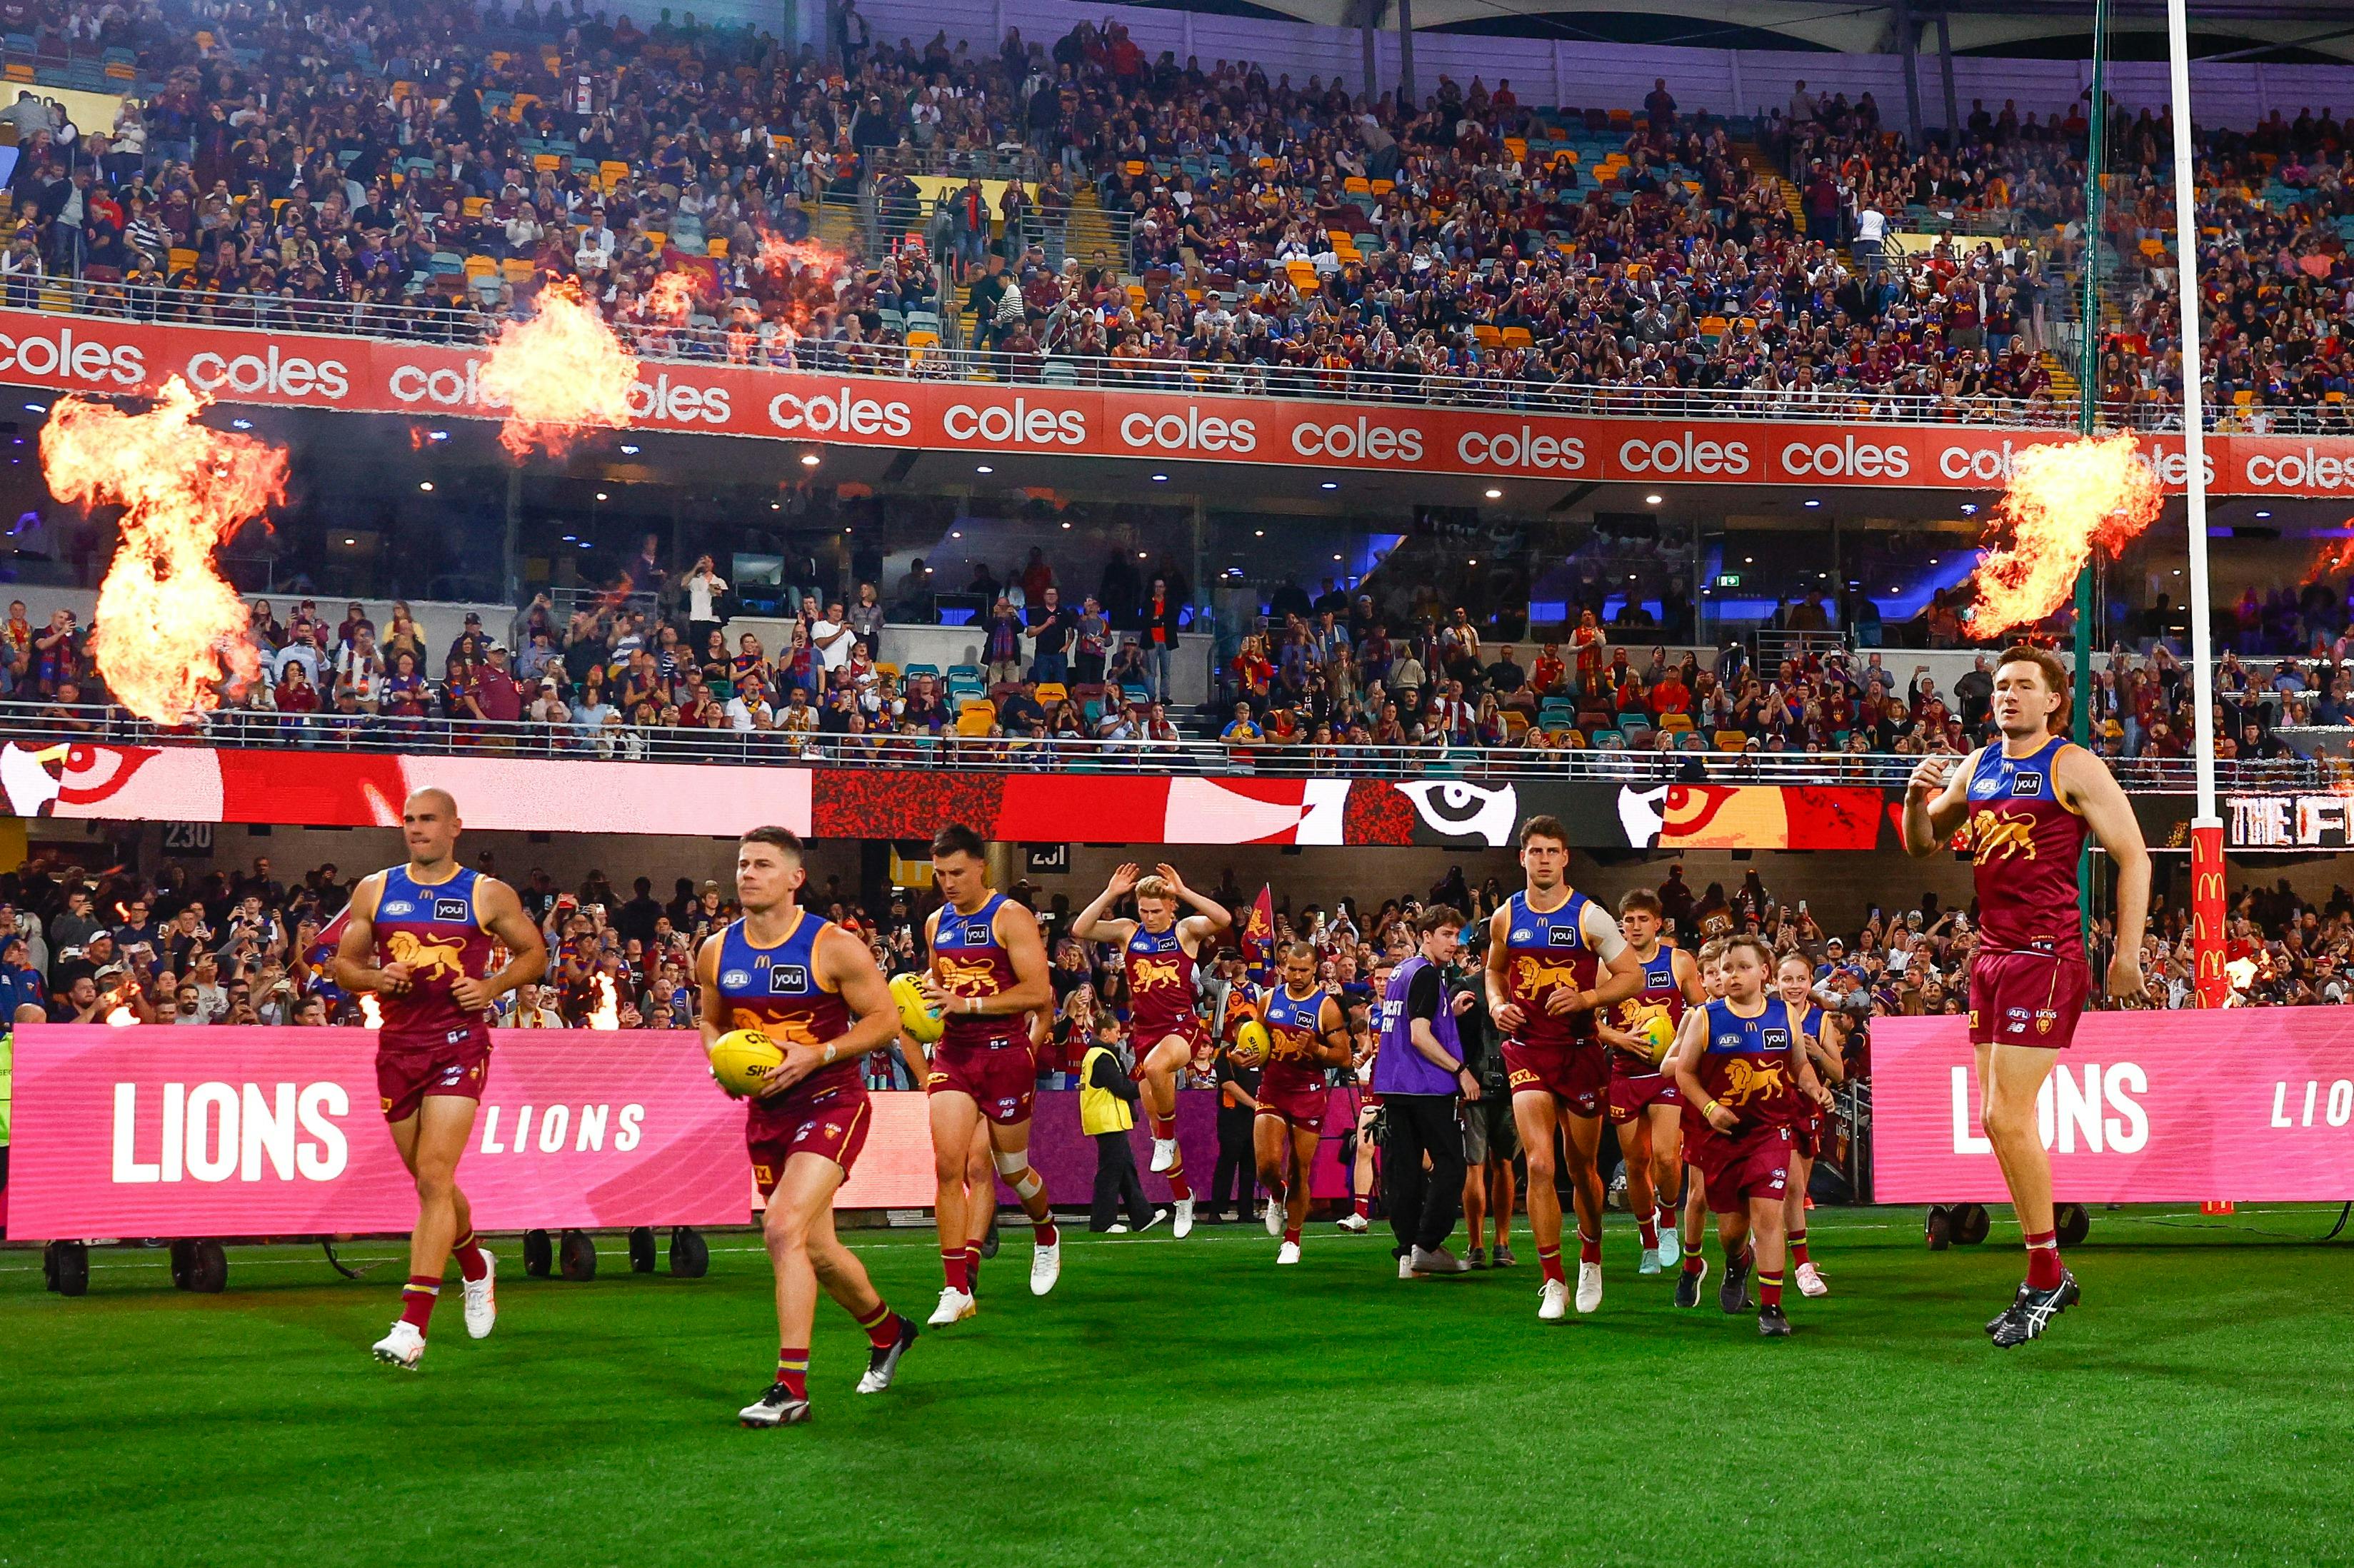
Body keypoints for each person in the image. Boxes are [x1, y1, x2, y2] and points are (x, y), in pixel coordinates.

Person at [1902, 643, 2150, 1347]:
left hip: (2044, 956)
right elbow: (1922, 845)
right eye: (2000, 686)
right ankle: (2044, 1266)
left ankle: (2044, 1273)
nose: (2006, 695)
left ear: (2052, 701)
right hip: (1991, 955)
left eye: (2022, 686)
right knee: (1995, 1121)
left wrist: (2126, 954)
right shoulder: (1977, 765)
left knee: (2004, 1116)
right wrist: (1911, 799)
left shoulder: (2070, 765)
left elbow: (2132, 854)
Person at [699, 827, 916, 1428]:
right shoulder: (716, 950)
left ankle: (790, 1387)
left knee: (782, 1227)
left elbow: (885, 1021)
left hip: (830, 1102)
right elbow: (711, 1022)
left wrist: (816, 1055)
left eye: (763, 865)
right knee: (815, 1247)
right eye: (743, 864)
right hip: (766, 1112)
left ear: (795, 878)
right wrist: (722, 1062)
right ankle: (890, 1330)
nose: (747, 874)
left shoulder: (834, 946)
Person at [333, 790, 547, 1370]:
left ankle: (411, 1326)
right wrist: (377, 976)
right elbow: (342, 967)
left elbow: (534, 953)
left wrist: (493, 987)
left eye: (427, 820)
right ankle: (476, 1263)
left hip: (459, 1044)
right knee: (434, 1187)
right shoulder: (375, 888)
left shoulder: (485, 892)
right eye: (409, 819)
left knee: (433, 1176)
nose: (416, 829)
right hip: (398, 1047)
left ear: (455, 826)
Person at [1483, 816, 1644, 1320]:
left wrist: (1589, 997)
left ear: (1566, 857)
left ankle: (1590, 1255)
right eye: (1536, 851)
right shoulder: (1506, 916)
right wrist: (1494, 1004)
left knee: (1582, 1169)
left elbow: (1633, 975)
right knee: (1538, 1164)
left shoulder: (1590, 916)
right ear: (1523, 858)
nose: (1545, 859)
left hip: (1579, 1051)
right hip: (1527, 1048)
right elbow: (1493, 969)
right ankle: (1552, 1280)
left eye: (1553, 850)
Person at [916, 823, 1063, 1327]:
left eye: (956, 872)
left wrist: (968, 1002)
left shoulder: (1011, 917)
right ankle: (955, 1287)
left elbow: (1038, 994)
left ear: (981, 866)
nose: (948, 883)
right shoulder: (936, 922)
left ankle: (1045, 1232)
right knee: (947, 1167)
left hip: (1005, 1056)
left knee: (1012, 1171)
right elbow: (940, 987)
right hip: (955, 1053)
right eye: (940, 874)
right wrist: (924, 1000)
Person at [1669, 935, 1831, 1337]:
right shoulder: (1706, 1018)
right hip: (1722, 1138)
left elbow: (1798, 1066)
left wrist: (1813, 1087)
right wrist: (1710, 1109)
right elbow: (1683, 1073)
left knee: (1769, 1217)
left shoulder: (1784, 1015)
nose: (1732, 975)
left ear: (1764, 972)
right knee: (1731, 1232)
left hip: (1770, 1133)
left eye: (1742, 967)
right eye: (1727, 968)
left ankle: (1773, 1307)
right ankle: (1737, 1262)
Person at [1069, 862, 1231, 1237]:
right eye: (1143, 910)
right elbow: (1080, 929)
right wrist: (1111, 892)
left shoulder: (1186, 931)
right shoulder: (1129, 933)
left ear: (1171, 907)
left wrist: (1184, 890)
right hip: (1143, 1034)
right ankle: (1182, 1198)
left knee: (1158, 1071)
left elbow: (1222, 918)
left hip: (1180, 1028)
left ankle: (1168, 1138)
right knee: (1157, 1121)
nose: (1149, 917)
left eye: (1156, 911)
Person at [1598, 888, 1704, 1275]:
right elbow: (1587, 1021)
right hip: (1625, 1072)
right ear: (1620, 924)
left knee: (1665, 1155)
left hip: (1666, 1074)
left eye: (1643, 919)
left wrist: (1679, 1046)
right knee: (1636, 1161)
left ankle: (1670, 1223)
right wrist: (1617, 1038)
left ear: (1658, 923)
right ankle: (1648, 1241)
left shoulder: (1678, 961)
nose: (1635, 926)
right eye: (1628, 920)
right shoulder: (1606, 967)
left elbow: (1701, 1012)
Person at [1375, 908, 1481, 1277]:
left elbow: (1410, 1023)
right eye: (1448, 935)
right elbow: (1420, 1037)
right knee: (1451, 1164)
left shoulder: (1402, 972)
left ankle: (1407, 1254)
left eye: (1458, 936)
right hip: (1427, 1085)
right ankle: (1428, 1244)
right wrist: (1461, 1070)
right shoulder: (1424, 974)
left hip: (1395, 1084)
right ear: (1427, 936)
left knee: (1404, 1171)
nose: (1455, 943)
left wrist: (1447, 1013)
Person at [1253, 941, 1350, 1265]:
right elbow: (1257, 1042)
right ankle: (1276, 1195)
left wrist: (1317, 1050)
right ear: (1283, 966)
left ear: (1315, 970)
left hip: (1308, 1093)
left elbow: (1344, 1056)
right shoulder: (1268, 1000)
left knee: (1299, 1168)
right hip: (1272, 1089)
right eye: (1291, 969)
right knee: (1266, 1167)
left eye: (1303, 970)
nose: (1296, 975)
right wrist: (1245, 1056)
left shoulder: (1327, 1007)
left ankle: (1292, 1238)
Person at [1776, 953, 1850, 1298]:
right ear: (1774, 980)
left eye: (1800, 979)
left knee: (1795, 1191)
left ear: (1810, 981)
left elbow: (1839, 1074)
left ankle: (1778, 1251)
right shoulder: (1764, 1013)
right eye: (1787, 979)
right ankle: (1801, 1265)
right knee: (1786, 1190)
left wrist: (1817, 1052)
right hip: (1767, 1108)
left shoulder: (1820, 1021)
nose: (1793, 986)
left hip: (1806, 1109)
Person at [1673, 938, 1728, 1309]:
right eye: (1711, 973)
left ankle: (1738, 1269)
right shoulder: (1696, 1017)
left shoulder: (1761, 1014)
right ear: (1703, 981)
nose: (1720, 979)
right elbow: (1670, 1064)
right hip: (1701, 1116)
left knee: (1743, 1201)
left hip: (1745, 1116)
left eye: (1725, 970)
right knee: (1699, 1195)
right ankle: (1691, 1265)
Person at [1081, 1015, 1156, 1233]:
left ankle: (1142, 1217)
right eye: (1115, 1031)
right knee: (1111, 1171)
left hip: (1106, 1118)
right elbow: (1121, 1087)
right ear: (1104, 1033)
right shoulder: (1102, 1057)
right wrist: (1147, 1085)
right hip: (1108, 1119)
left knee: (1124, 1168)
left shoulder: (1094, 1055)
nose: (1119, 1034)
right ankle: (1103, 1222)